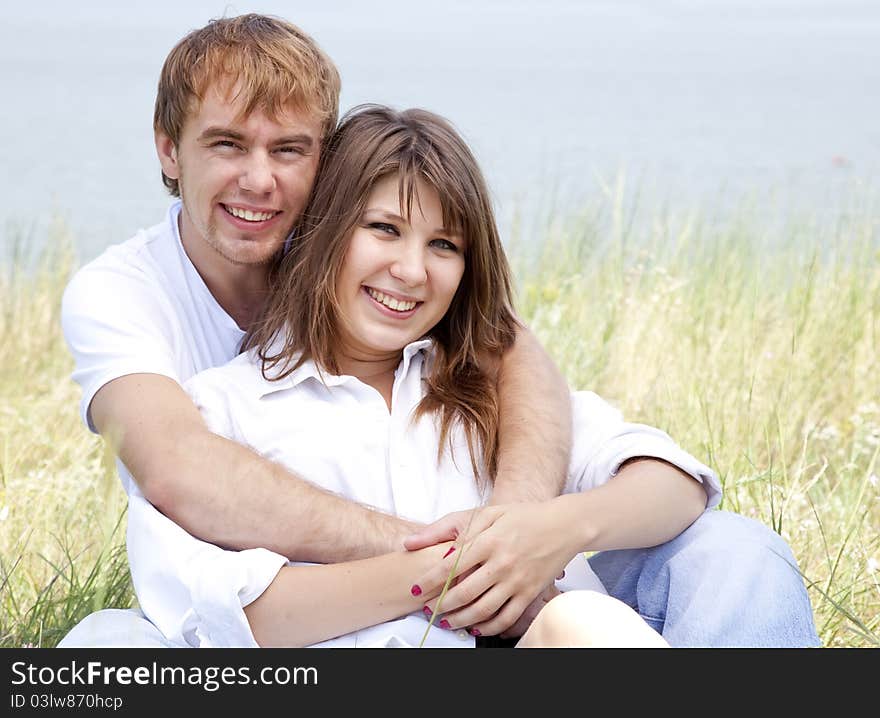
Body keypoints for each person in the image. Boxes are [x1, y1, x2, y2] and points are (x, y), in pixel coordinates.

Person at [69, 104, 723, 648]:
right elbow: (242, 613)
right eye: (385, 229)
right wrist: (453, 573)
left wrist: (545, 532)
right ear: (321, 232)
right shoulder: (229, 409)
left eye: (444, 245)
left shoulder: (480, 389)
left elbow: (675, 487)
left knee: (602, 613)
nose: (412, 271)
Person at [58, 15, 577, 645]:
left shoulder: (360, 263)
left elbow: (507, 345)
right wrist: (447, 559)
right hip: (263, 596)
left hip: (411, 612)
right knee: (102, 649)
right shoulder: (121, 292)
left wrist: (513, 527)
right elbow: (177, 471)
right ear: (169, 148)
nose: (258, 180)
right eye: (226, 144)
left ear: (325, 162)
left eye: (288, 150)